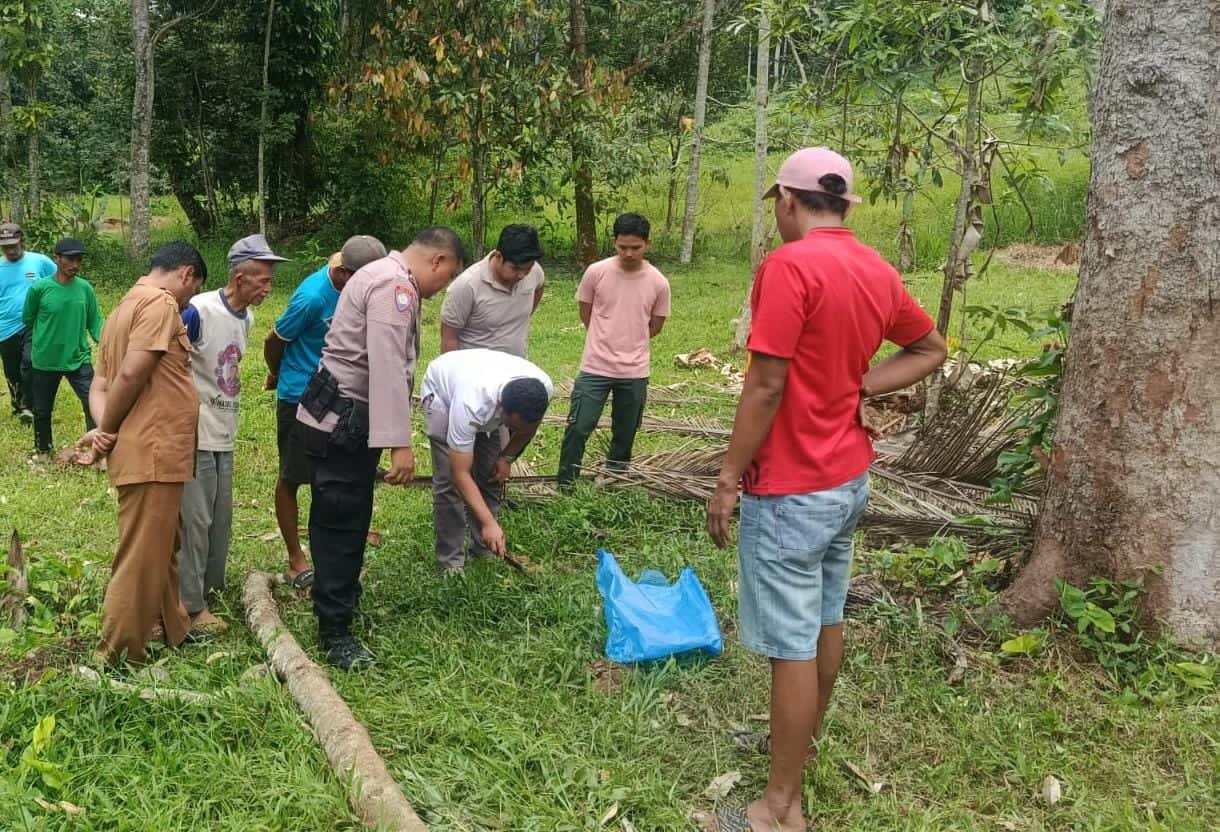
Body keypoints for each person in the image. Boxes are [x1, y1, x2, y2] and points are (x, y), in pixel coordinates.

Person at [704, 148, 947, 832]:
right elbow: (931, 348)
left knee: (792, 644)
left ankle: (779, 808)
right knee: (823, 620)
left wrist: (726, 479)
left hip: (791, 488)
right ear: (843, 205)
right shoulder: (875, 267)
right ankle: (797, 748)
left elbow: (766, 385)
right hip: (846, 479)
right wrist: (860, 384)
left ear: (787, 200)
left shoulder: (790, 266)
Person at [296, 227, 467, 670]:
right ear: (438, 260)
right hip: (344, 421)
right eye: (447, 276)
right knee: (342, 521)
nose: (442, 286)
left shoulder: (377, 272)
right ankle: (335, 631)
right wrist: (398, 443)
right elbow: (387, 365)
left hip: (333, 414)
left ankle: (338, 595)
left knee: (340, 515)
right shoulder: (394, 286)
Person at [81, 241, 212, 665]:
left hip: (151, 450)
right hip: (154, 449)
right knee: (141, 554)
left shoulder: (122, 309)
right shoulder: (159, 303)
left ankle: (175, 626)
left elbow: (100, 386)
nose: (188, 301)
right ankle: (118, 655)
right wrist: (107, 430)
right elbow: (131, 374)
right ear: (186, 273)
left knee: (165, 542)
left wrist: (105, 431)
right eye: (193, 290)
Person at [263, 235, 387, 589]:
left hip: (338, 394)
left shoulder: (356, 287)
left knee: (329, 478)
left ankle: (329, 556)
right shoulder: (313, 297)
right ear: (344, 273)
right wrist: (277, 373)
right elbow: (274, 339)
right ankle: (295, 558)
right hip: (300, 396)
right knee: (292, 476)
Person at [176, 234, 282, 632]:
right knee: (196, 520)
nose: (268, 288)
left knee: (220, 519)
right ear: (240, 277)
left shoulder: (247, 319)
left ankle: (211, 588)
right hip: (195, 432)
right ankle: (189, 606)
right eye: (263, 280)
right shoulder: (198, 311)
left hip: (225, 431)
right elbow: (171, 364)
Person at [557, 212, 670, 486]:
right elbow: (585, 311)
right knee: (579, 425)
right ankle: (566, 481)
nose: (629, 253)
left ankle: (615, 476)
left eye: (636, 247)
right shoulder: (596, 272)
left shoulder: (658, 282)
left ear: (648, 244)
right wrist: (603, 337)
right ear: (614, 242)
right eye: (623, 247)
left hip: (634, 370)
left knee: (626, 430)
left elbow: (656, 326)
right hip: (595, 365)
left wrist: (631, 341)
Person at [420, 348, 553, 573]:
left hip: (484, 385)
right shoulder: (470, 404)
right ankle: (451, 561)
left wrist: (507, 457)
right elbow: (460, 473)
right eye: (512, 426)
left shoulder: (543, 389)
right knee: (449, 483)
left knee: (492, 473)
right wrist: (489, 523)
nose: (514, 430)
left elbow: (529, 427)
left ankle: (484, 547)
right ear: (500, 408)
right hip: (444, 394)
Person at [21, 237, 102, 461]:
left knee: (92, 404)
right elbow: (28, 317)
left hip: (78, 358)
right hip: (46, 359)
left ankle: (95, 451)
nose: (75, 264)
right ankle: (43, 451)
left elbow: (95, 322)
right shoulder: (40, 289)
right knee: (42, 409)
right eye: (70, 259)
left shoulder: (85, 289)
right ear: (57, 259)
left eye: (79, 260)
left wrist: (106, 344)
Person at [440, 223, 545, 357]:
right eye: (516, 268)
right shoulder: (466, 285)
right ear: (498, 256)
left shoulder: (534, 272)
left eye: (528, 268)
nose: (522, 275)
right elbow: (449, 338)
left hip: (517, 366)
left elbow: (539, 287)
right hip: (474, 368)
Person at [0, 222, 56, 423]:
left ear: (22, 241)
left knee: (30, 361)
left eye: (13, 245)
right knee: (12, 370)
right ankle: (19, 406)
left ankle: (31, 406)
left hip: (34, 323)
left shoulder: (40, 262)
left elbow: (58, 281)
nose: (10, 250)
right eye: (5, 247)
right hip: (5, 328)